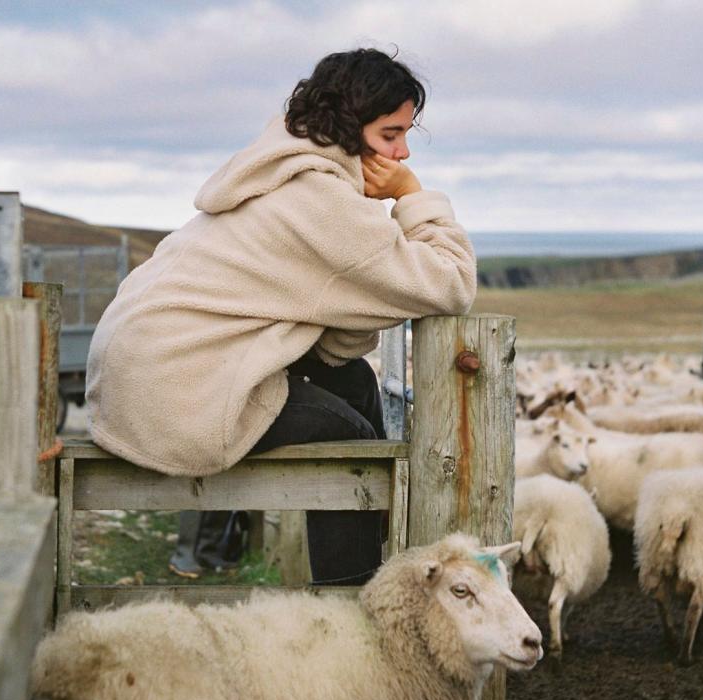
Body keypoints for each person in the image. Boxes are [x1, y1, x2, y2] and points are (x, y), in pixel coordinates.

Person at [85, 48, 477, 585]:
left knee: (355, 382)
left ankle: (369, 561)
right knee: (354, 444)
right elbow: (452, 282)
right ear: (349, 124)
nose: (404, 152)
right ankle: (355, 611)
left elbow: (335, 344)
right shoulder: (319, 201)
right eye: (391, 134)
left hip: (146, 372)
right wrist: (412, 196)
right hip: (177, 389)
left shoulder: (280, 174)